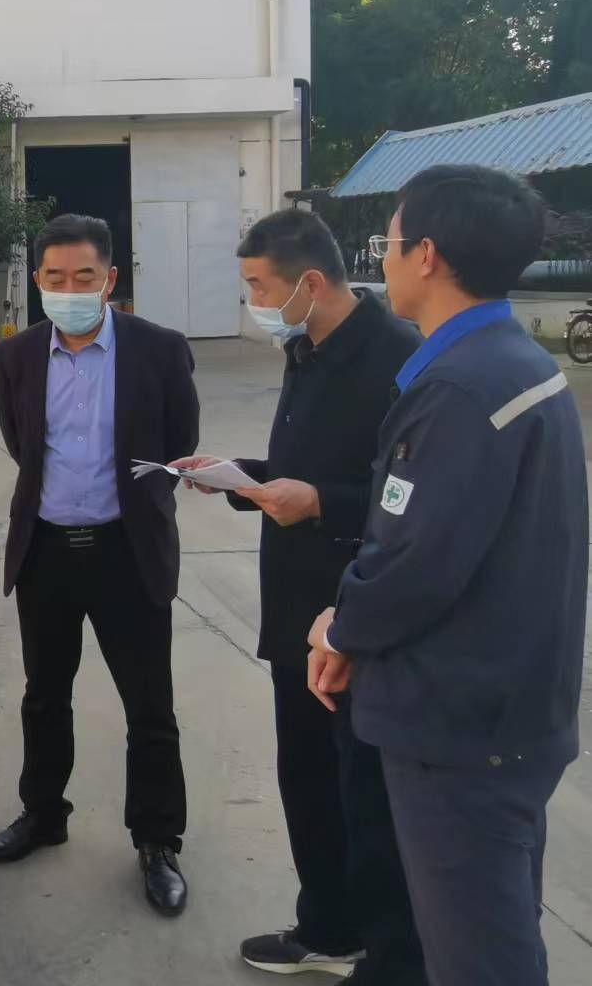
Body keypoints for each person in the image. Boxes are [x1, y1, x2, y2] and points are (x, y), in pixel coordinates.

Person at [307, 165, 587, 986]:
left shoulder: (463, 388)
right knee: (496, 931)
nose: (384, 260)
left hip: (460, 726)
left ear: (426, 255)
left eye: (389, 242)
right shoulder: (513, 362)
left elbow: (415, 562)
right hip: (508, 708)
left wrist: (341, 628)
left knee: (478, 955)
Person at [175, 209, 425, 982]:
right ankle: (327, 925)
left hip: (354, 614)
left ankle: (381, 950)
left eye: (259, 286)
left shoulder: (399, 360)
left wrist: (321, 502)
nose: (252, 300)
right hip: (295, 610)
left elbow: (411, 499)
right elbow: (309, 467)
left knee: (363, 796)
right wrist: (241, 476)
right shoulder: (306, 348)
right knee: (308, 779)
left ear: (309, 282)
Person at [0, 213, 199, 915]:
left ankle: (157, 840)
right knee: (44, 696)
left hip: (127, 553)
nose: (70, 290)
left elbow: (177, 445)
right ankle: (44, 814)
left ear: (110, 280)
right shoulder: (17, 357)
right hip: (46, 551)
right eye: (55, 277)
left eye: (84, 277)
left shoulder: (159, 350)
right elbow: (23, 445)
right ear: (37, 281)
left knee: (150, 706)